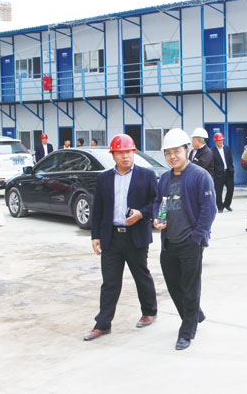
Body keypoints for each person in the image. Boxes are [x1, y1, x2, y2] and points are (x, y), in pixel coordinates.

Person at [84, 134, 158, 341]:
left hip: (136, 236)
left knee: (141, 275)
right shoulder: (104, 178)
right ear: (113, 155)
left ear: (133, 153)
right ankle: (102, 324)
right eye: (120, 153)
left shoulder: (146, 175)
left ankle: (149, 311)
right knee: (110, 282)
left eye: (128, 152)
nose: (125, 156)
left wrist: (141, 214)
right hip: (111, 237)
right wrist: (95, 235)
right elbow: (98, 208)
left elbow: (156, 202)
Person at [153, 128, 216, 350]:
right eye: (168, 153)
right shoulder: (164, 178)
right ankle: (194, 314)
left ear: (187, 150)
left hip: (190, 242)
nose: (172, 157)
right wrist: (158, 218)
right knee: (174, 285)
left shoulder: (200, 176)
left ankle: (187, 331)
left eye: (176, 151)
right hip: (169, 241)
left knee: (190, 288)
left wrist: (197, 237)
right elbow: (158, 202)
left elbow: (209, 209)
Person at [211, 132, 234, 213]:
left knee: (230, 189)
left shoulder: (227, 148)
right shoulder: (212, 151)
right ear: (215, 141)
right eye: (218, 141)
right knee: (218, 191)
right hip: (218, 174)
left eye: (221, 140)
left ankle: (227, 204)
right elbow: (212, 164)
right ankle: (220, 207)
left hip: (228, 172)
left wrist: (232, 169)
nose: (220, 142)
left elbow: (230, 160)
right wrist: (214, 173)